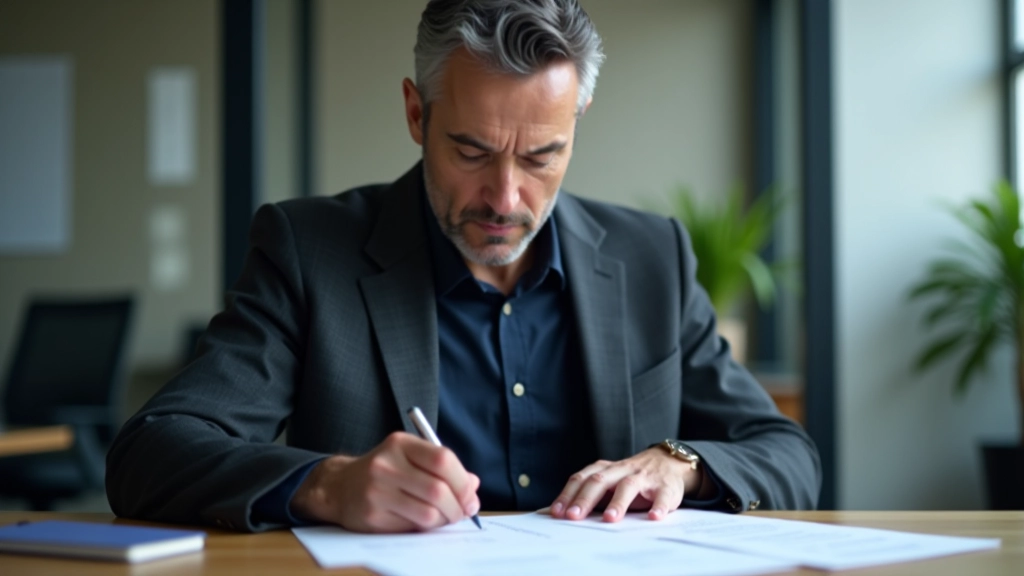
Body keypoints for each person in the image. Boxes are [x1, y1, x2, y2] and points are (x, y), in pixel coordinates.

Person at [106, 0, 820, 534]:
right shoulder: (308, 250)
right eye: (472, 152)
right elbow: (149, 453)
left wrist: (682, 464)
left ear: (578, 121)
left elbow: (787, 455)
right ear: (417, 115)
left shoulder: (650, 257)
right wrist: (328, 484)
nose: (506, 198)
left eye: (542, 156)